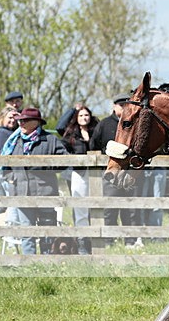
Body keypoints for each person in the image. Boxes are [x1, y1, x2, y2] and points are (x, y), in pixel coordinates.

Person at [0, 107, 67, 254]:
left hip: (45, 192)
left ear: (36, 122)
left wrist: (45, 167)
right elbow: (4, 165)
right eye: (20, 121)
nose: (21, 123)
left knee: (47, 230)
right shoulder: (14, 141)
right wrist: (12, 179)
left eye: (25, 121)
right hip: (21, 192)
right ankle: (29, 262)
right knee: (26, 230)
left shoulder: (50, 140)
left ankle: (47, 260)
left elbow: (65, 161)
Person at [90, 92, 143, 248]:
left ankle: (130, 241)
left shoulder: (134, 123)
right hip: (111, 172)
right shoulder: (105, 124)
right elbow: (94, 144)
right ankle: (108, 240)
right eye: (121, 105)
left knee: (130, 208)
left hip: (130, 172)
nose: (123, 108)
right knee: (110, 207)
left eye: (126, 105)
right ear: (114, 106)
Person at [59, 104, 99, 254]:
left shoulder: (96, 131)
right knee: (80, 207)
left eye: (86, 115)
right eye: (81, 115)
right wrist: (73, 159)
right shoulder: (71, 134)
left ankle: (97, 240)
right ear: (76, 117)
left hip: (96, 174)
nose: (84, 118)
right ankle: (82, 242)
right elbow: (62, 148)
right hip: (79, 173)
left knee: (96, 207)